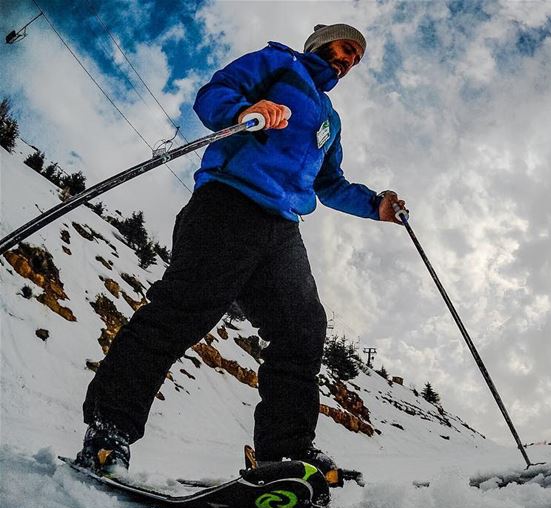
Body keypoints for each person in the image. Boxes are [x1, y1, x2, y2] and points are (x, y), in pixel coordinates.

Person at [76, 23, 408, 475]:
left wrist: (376, 206)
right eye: (346, 48)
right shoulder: (280, 64)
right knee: (184, 309)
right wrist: (246, 108)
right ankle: (109, 428)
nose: (348, 61)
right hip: (228, 203)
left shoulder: (330, 118)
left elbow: (329, 185)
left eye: (356, 59)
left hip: (282, 228)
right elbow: (215, 92)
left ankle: (284, 455)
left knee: (301, 330)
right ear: (321, 42)